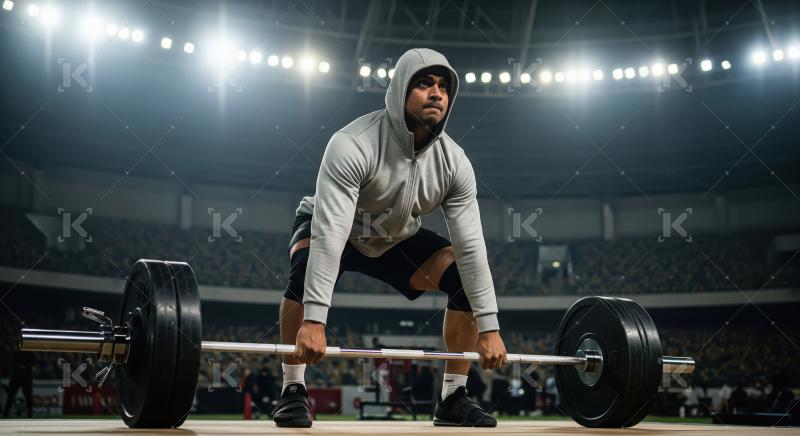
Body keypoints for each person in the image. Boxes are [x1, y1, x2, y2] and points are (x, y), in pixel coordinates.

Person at [271, 48, 507, 428]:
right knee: (305, 267)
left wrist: (490, 326)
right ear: (400, 90)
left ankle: (453, 396)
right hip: (337, 228)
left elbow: (471, 247)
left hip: (396, 239)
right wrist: (315, 320)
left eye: (444, 87)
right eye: (424, 84)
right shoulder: (353, 143)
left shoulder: (455, 163)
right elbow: (331, 232)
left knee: (462, 276)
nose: (437, 94)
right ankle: (293, 389)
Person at [2, 350, 34, 418]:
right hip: (19, 377)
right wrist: (24, 366)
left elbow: (33, 363)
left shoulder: (19, 353)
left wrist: (24, 366)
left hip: (23, 377)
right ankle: (6, 412)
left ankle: (29, 413)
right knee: (12, 395)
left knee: (27, 396)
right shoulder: (23, 353)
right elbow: (12, 362)